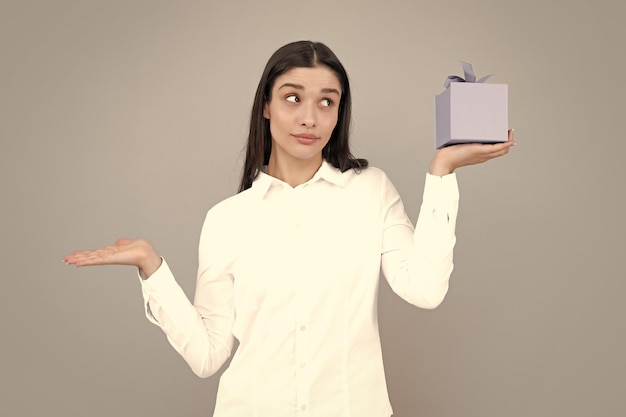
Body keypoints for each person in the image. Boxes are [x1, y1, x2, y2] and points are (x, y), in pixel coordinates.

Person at [64, 40, 514, 417]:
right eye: (293, 97)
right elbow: (207, 356)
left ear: (339, 113)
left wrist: (442, 174)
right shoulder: (227, 218)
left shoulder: (371, 191)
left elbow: (426, 290)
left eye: (327, 102)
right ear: (266, 105)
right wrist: (152, 267)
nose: (309, 118)